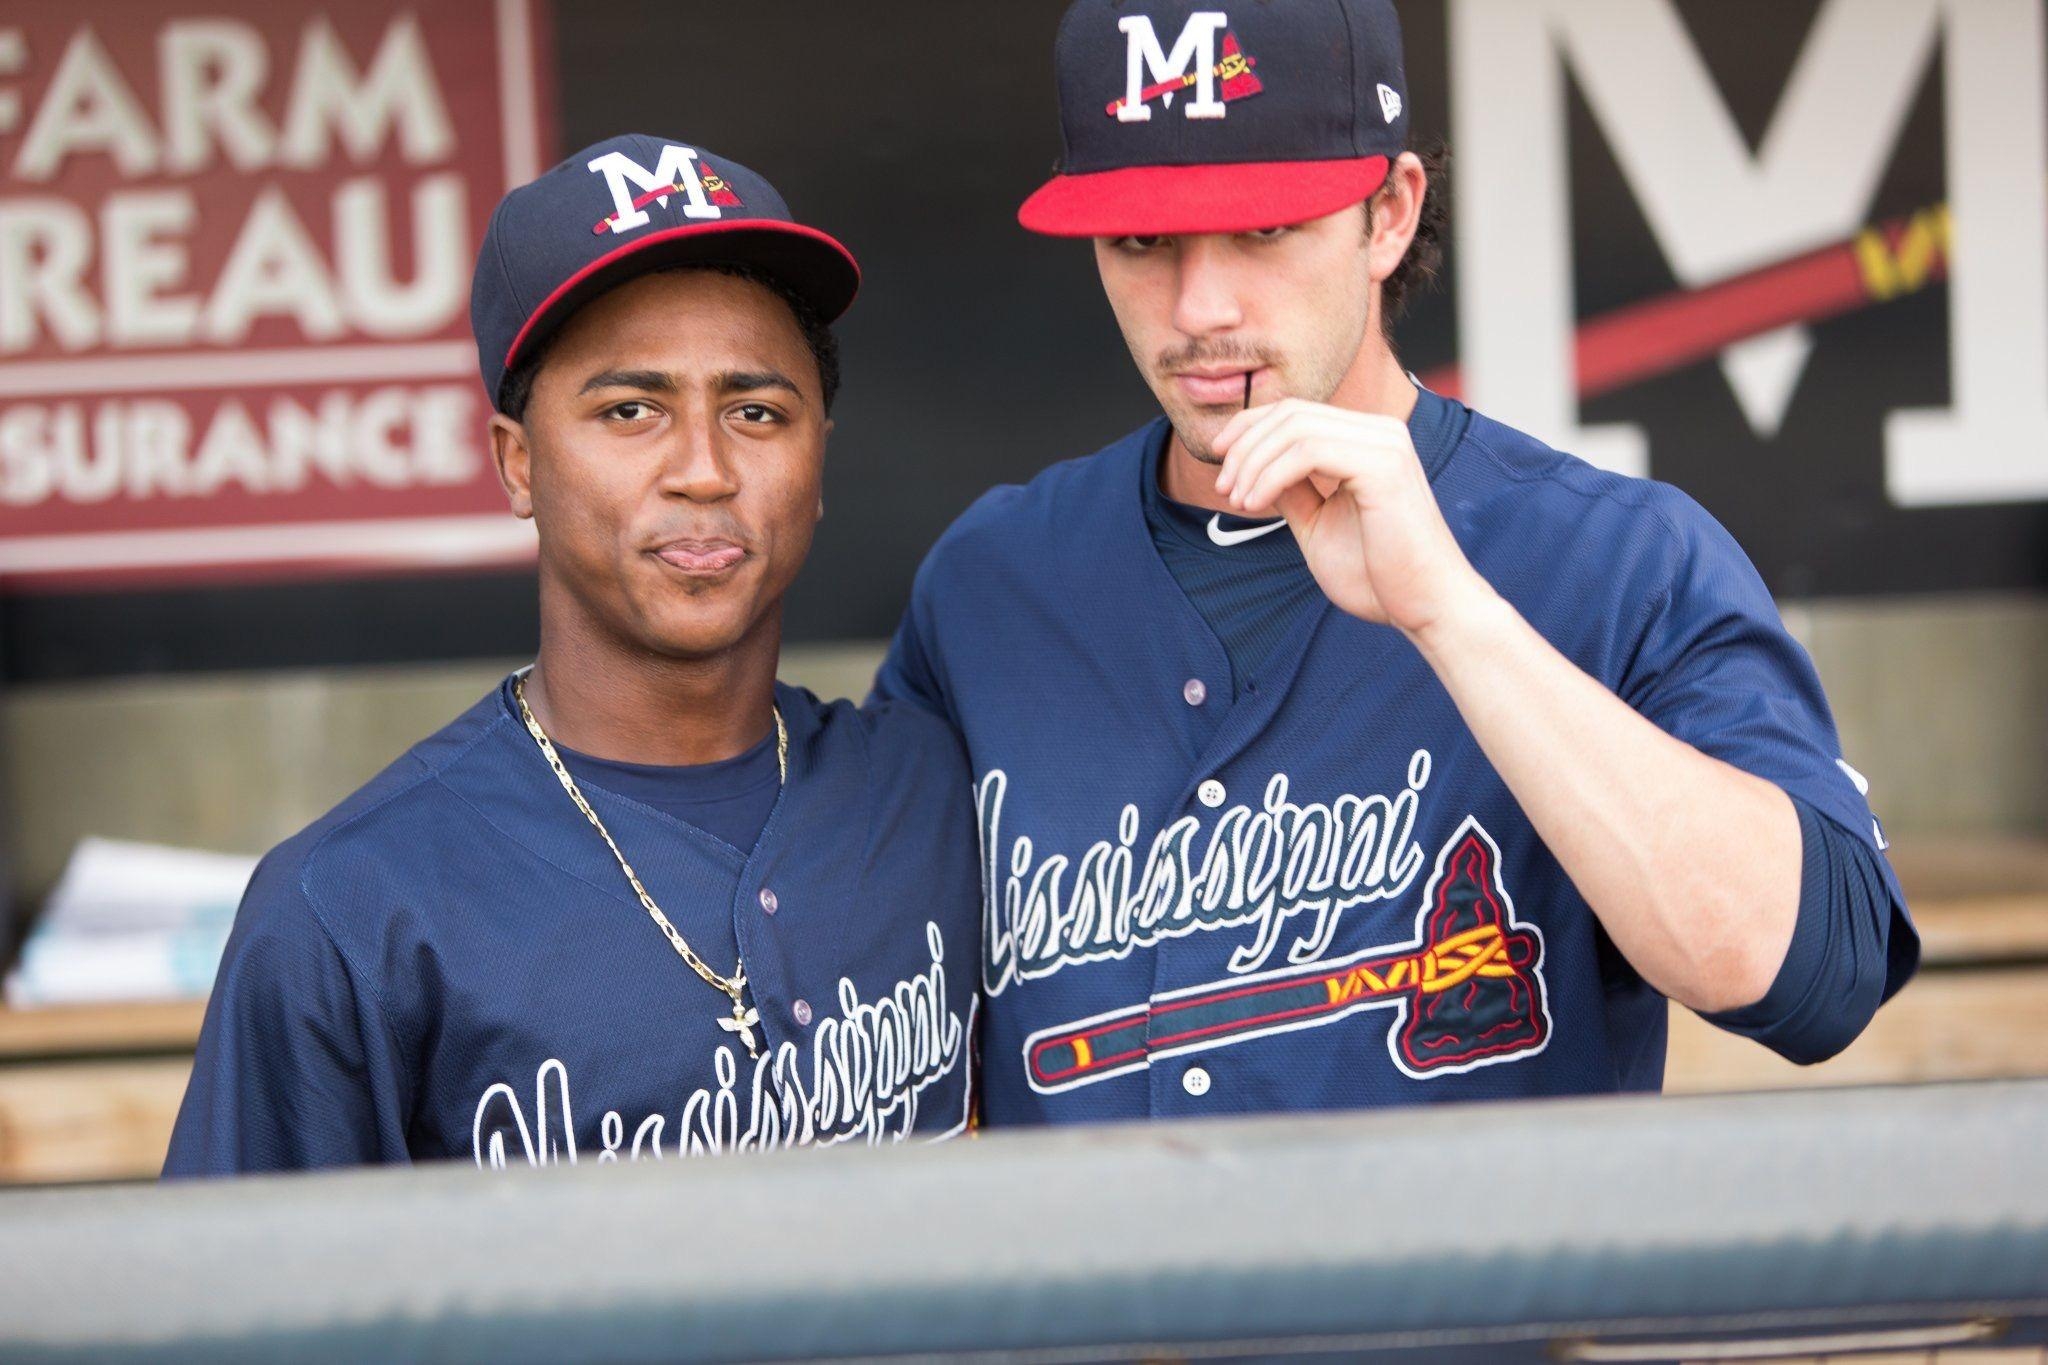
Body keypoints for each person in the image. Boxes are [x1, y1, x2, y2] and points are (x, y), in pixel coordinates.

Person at [874, 0, 1917, 1123]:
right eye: (1141, 241)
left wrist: (1451, 617)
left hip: (1477, 1301)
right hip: (1103, 1300)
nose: (1199, 307)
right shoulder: (991, 580)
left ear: (1387, 213)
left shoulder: (1611, 555)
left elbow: (1815, 979)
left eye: (1264, 229)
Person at [165, 135, 979, 1174]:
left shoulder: (932, 798)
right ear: (518, 462)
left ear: (818, 455)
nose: (701, 469)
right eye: (629, 410)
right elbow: (251, 1315)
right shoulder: (348, 906)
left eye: (756, 411)